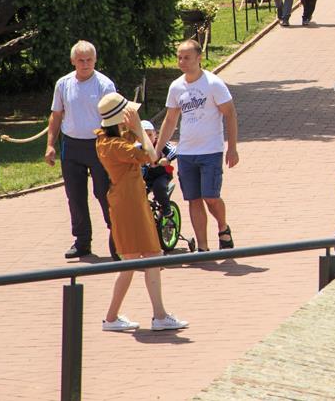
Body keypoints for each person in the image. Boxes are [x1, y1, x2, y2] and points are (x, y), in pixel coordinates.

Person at [95, 92, 187, 332]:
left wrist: (134, 129)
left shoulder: (108, 139)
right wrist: (137, 128)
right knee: (139, 258)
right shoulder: (114, 145)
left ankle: (122, 317)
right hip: (129, 204)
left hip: (132, 201)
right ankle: (150, 316)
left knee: (143, 257)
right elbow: (152, 156)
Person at [155, 40, 240, 254]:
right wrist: (157, 149)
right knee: (193, 199)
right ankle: (203, 247)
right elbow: (170, 120)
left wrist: (232, 148)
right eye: (179, 58)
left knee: (211, 197)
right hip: (186, 153)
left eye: (187, 58)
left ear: (199, 58)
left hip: (211, 151)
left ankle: (223, 227)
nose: (182, 62)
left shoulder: (213, 84)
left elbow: (230, 114)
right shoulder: (176, 87)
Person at [45, 40, 117, 259]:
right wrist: (50, 145)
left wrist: (115, 148)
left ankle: (117, 237)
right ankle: (82, 241)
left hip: (99, 145)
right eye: (81, 60)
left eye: (89, 60)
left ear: (95, 60)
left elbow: (114, 119)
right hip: (72, 145)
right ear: (72, 61)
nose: (85, 64)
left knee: (104, 193)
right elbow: (56, 115)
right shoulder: (63, 84)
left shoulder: (104, 85)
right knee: (75, 195)